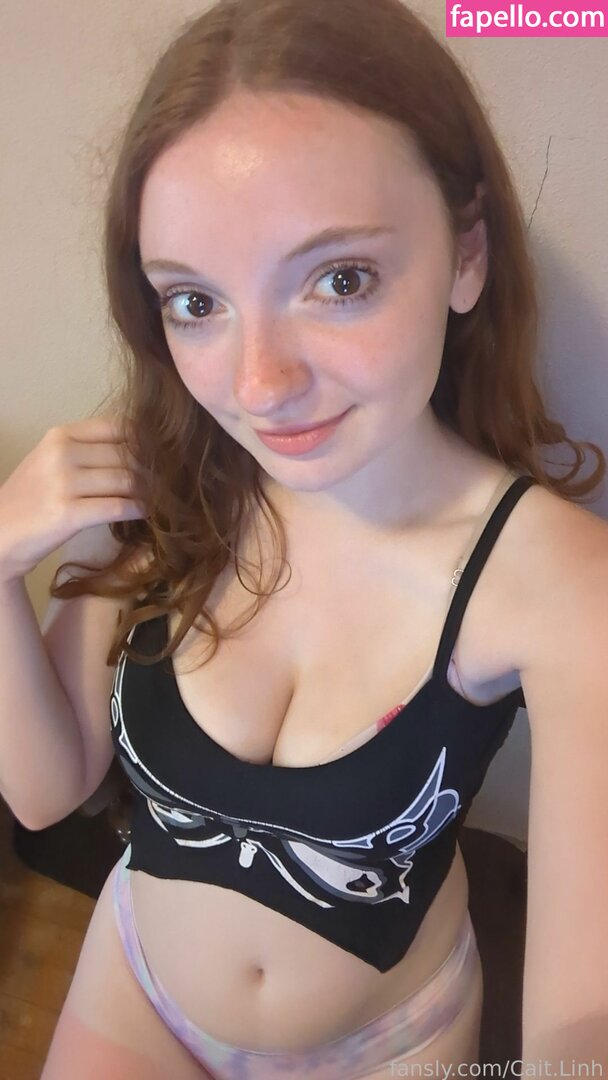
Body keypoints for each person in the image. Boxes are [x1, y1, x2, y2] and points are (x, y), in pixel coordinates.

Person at [1, 0, 607, 1077]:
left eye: (339, 280)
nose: (258, 385)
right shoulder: (160, 481)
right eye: (195, 301)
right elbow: (45, 793)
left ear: (466, 255)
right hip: (135, 984)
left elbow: (579, 1037)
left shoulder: (557, 583)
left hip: (387, 1042)